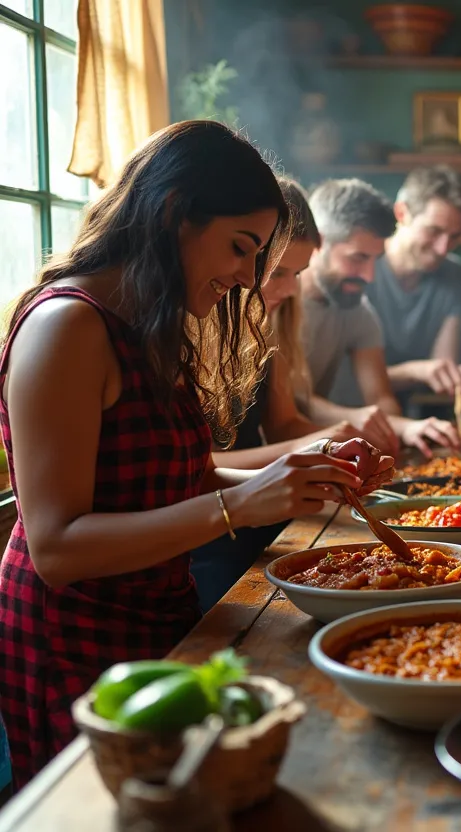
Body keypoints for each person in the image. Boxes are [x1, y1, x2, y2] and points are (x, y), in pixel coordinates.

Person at [0, 121, 395, 788]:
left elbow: (173, 478)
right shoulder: (66, 325)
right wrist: (239, 504)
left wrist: (297, 475)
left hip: (159, 614)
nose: (247, 278)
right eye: (241, 249)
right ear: (175, 212)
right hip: (75, 638)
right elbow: (57, 548)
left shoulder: (148, 324)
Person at [190, 177, 377, 610]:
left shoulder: (270, 323)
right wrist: (310, 446)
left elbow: (283, 423)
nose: (292, 289)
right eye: (279, 272)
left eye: (298, 273)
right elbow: (194, 470)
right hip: (205, 539)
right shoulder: (191, 329)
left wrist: (330, 447)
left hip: (257, 519)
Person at [299, 178, 460, 455]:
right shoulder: (278, 303)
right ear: (319, 242)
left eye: (375, 260)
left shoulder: (358, 312)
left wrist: (408, 428)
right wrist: (359, 418)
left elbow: (380, 397)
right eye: (358, 258)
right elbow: (293, 402)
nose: (369, 276)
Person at [331, 165, 461, 410]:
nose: (443, 248)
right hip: (348, 412)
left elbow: (442, 364)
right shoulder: (360, 268)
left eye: (455, 236)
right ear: (402, 213)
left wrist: (454, 378)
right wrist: (416, 372)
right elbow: (340, 381)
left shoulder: (456, 276)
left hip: (408, 412)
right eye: (434, 231)